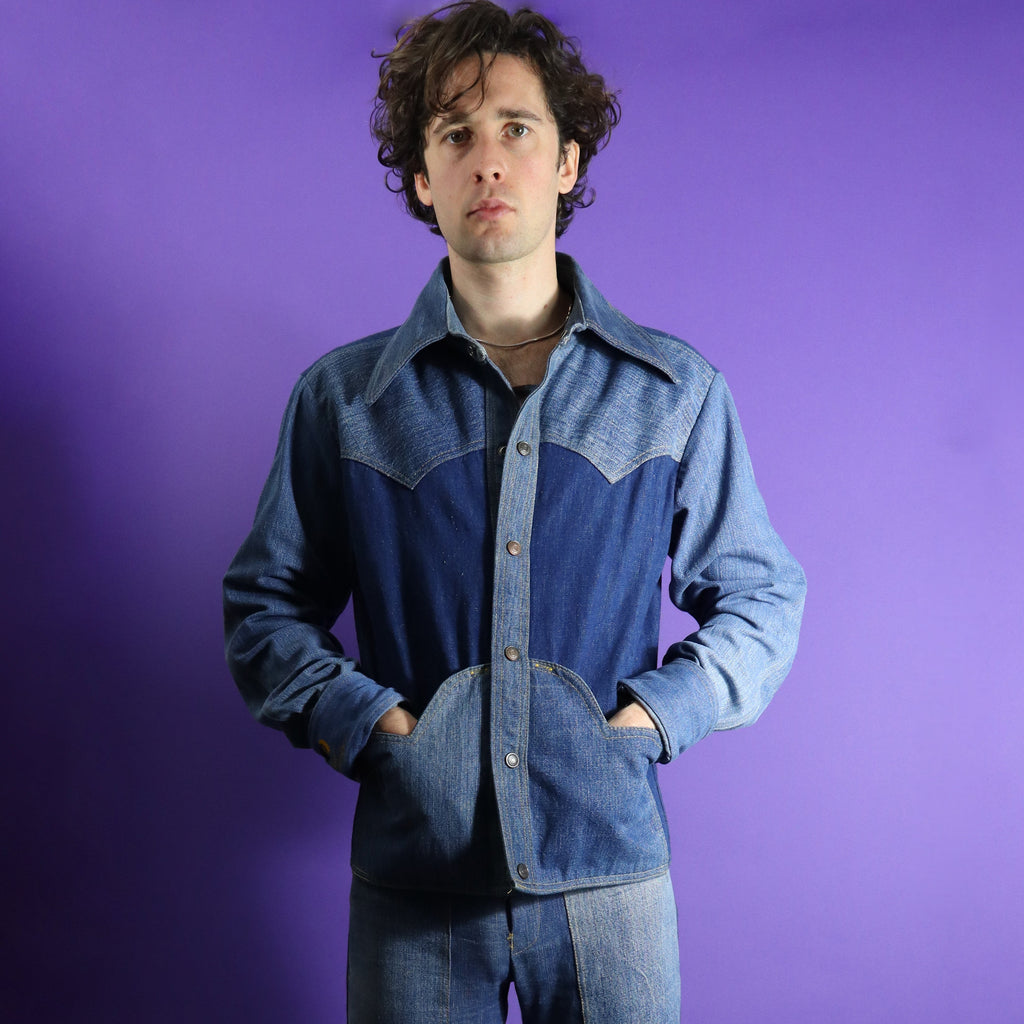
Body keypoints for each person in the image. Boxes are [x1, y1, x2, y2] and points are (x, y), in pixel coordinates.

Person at [223, 2, 806, 1020]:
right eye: (455, 135)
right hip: (414, 884)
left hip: (609, 881)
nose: (487, 160)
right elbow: (264, 606)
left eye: (516, 128)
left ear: (566, 162)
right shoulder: (344, 401)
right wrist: (366, 722)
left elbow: (760, 599)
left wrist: (653, 718)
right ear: (422, 177)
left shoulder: (672, 392)